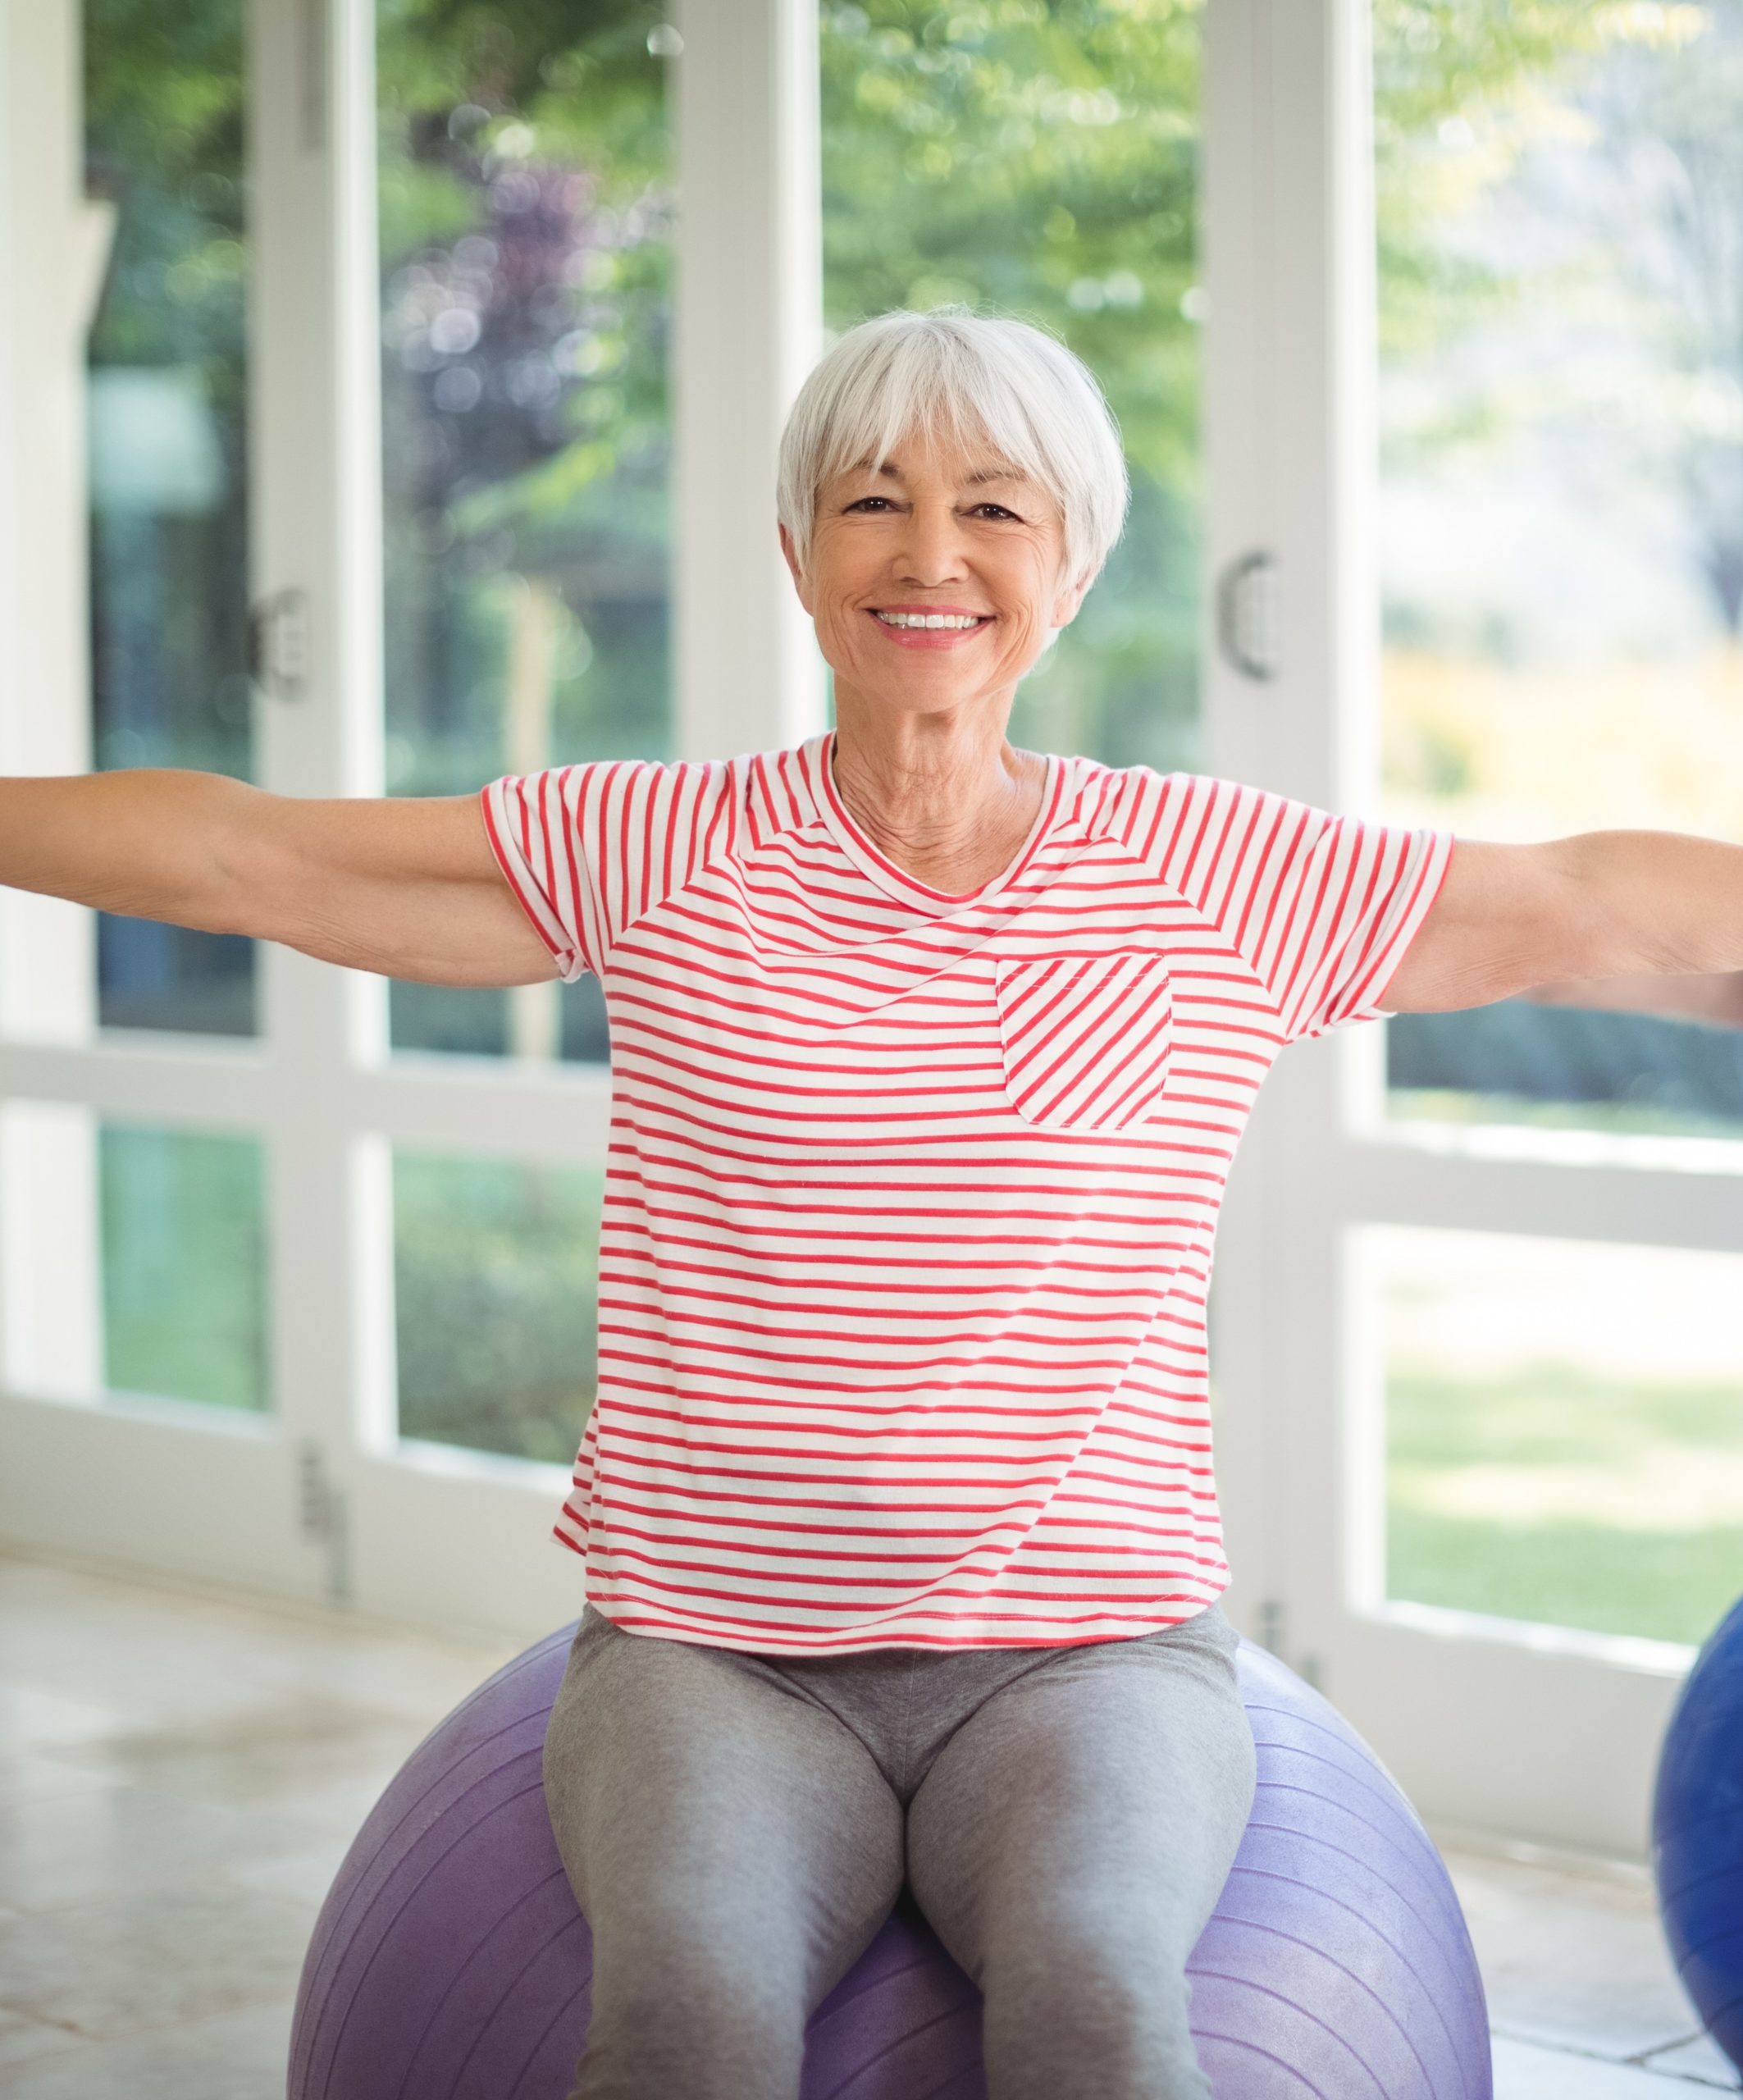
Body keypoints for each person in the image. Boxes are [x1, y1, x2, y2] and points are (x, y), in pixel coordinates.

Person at [6, 307, 1743, 2098]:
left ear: (1070, 563)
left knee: (1098, 2004)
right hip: (715, 1657)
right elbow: (244, 853)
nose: (929, 553)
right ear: (794, 551)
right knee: (684, 2021)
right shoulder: (661, 848)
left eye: (995, 507)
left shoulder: (1219, 876)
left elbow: (1590, 898)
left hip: (1091, 1658)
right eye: (869, 501)